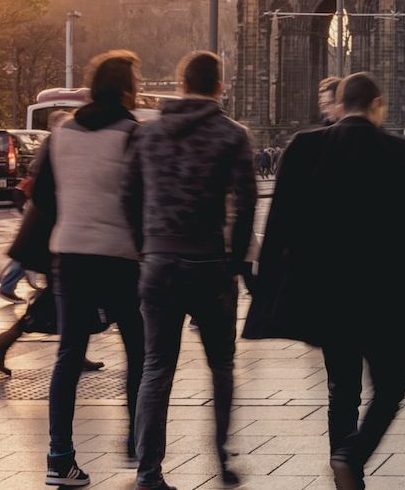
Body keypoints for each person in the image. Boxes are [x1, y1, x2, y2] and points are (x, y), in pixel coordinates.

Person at [243, 72, 405, 490]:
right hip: (385, 295)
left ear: (341, 104)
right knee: (391, 388)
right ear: (378, 104)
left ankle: (343, 463)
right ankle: (352, 456)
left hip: (324, 295)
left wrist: (264, 289)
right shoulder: (403, 152)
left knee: (341, 388)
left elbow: (280, 221)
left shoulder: (304, 147)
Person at [121, 51, 256, 490]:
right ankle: (221, 459)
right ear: (219, 85)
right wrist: (235, 260)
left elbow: (127, 196)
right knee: (221, 365)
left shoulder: (148, 133)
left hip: (159, 263)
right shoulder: (231, 134)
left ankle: (148, 472)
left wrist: (145, 247)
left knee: (157, 367)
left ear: (180, 83)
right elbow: (248, 201)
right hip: (209, 264)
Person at [32, 50, 146, 487]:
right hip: (118, 257)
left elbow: (43, 197)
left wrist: (74, 213)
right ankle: (136, 442)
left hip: (71, 255)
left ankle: (59, 456)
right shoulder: (132, 134)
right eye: (134, 81)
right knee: (137, 348)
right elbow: (140, 198)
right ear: (123, 89)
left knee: (69, 355)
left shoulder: (61, 134)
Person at [0, 110, 105, 376]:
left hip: (59, 234)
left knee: (64, 298)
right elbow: (40, 183)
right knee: (60, 298)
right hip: (52, 236)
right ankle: (6, 341)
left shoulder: (64, 141)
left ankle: (11, 341)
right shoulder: (57, 141)